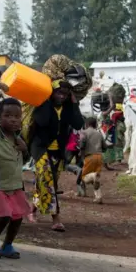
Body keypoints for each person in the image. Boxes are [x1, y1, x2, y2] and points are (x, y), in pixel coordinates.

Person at [28, 79, 83, 231]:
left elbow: (78, 123)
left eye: (65, 94)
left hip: (58, 151)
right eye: (59, 93)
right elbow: (43, 121)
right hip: (40, 149)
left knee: (48, 183)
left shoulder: (67, 108)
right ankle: (56, 218)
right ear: (51, 92)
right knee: (47, 181)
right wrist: (46, 100)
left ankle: (31, 210)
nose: (62, 97)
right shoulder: (42, 105)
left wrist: (74, 103)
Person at [0, 98, 30, 260]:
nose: (13, 119)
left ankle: (7, 245)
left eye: (17, 116)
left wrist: (25, 149)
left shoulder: (20, 138)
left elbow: (26, 160)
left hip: (16, 184)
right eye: (8, 115)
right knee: (5, 215)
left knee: (18, 217)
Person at [77, 117, 107, 203]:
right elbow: (105, 147)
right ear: (95, 124)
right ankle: (98, 197)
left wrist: (80, 152)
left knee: (85, 177)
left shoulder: (84, 132)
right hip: (99, 157)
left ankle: (93, 175)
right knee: (95, 179)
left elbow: (82, 144)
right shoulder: (99, 133)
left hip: (89, 157)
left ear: (87, 124)